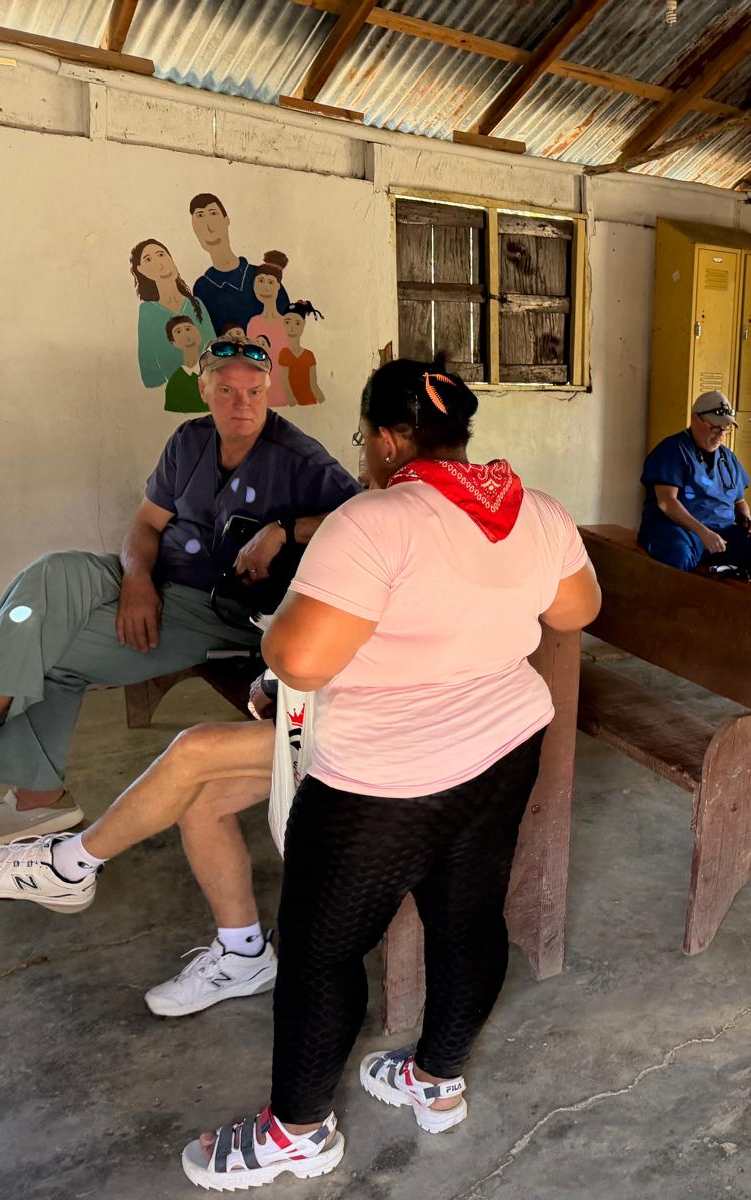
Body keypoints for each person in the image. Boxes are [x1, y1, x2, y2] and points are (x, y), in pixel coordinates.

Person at [179, 360, 601, 1189]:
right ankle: (436, 1081)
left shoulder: (373, 521)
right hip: (505, 746)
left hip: (386, 777)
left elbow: (301, 658)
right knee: (468, 918)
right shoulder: (533, 507)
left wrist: (280, 630)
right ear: (459, 434)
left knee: (320, 950)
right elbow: (575, 610)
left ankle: (298, 1131)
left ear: (382, 439)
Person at [0, 338, 360, 843]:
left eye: (254, 391)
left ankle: (37, 799)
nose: (241, 403)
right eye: (226, 390)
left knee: (53, 655)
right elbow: (145, 524)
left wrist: (283, 530)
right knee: (52, 572)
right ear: (204, 390)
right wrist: (137, 580)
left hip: (218, 607)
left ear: (269, 393)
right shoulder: (189, 441)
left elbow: (363, 519)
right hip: (153, 574)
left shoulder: (299, 458)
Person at [0, 675, 292, 1016]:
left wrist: (272, 675)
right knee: (203, 802)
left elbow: (302, 657)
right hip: (316, 714)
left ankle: (67, 868)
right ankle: (243, 953)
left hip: (334, 732)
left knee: (195, 749)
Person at [638, 391, 751, 578]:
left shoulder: (728, 458)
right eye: (715, 428)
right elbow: (666, 502)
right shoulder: (673, 450)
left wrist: (748, 521)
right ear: (695, 419)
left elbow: (739, 501)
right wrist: (703, 533)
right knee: (678, 554)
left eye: (726, 428)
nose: (721, 434)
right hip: (681, 531)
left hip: (723, 534)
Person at [189, 193, 289, 335]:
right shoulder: (202, 288)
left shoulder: (264, 276)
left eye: (213, 213)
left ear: (226, 220)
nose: (209, 227)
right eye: (200, 216)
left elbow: (290, 327)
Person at [132, 237, 215, 388]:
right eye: (148, 259)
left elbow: (213, 348)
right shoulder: (148, 310)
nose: (159, 264)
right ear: (141, 270)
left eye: (161, 254)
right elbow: (149, 369)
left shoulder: (195, 304)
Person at [246, 252, 293, 408]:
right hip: (258, 395)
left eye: (270, 282)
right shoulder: (253, 324)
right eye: (260, 281)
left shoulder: (287, 324)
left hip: (283, 394)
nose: (265, 287)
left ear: (278, 286)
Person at [279, 301, 326, 406]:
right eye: (287, 322)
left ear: (303, 325)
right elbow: (284, 380)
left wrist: (324, 403)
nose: (292, 328)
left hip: (310, 404)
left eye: (297, 323)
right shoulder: (284, 353)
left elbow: (314, 385)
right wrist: (293, 403)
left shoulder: (309, 355)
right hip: (294, 407)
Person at [164, 314, 208, 414]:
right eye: (178, 332)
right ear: (173, 343)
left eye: (188, 329)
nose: (187, 337)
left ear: (199, 333)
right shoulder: (175, 381)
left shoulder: (215, 370)